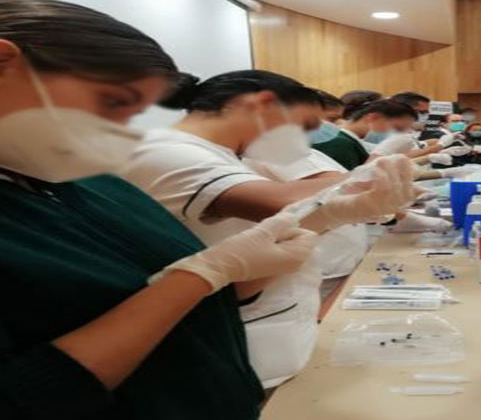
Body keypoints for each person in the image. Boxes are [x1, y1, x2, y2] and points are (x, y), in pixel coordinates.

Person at [0, 0, 319, 420]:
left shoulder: (85, 183)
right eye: (111, 103)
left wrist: (244, 266)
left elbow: (184, 302)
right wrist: (203, 273)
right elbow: (19, 405)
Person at [123, 70, 418, 388]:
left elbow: (289, 220)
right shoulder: (171, 151)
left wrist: (345, 203)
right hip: (225, 336)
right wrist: (368, 178)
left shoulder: (221, 154)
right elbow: (281, 202)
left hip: (261, 326)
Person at [314, 100, 416, 170]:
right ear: (373, 118)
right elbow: (349, 184)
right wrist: (381, 154)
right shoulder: (339, 143)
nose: (400, 134)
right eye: (398, 128)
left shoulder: (352, 141)